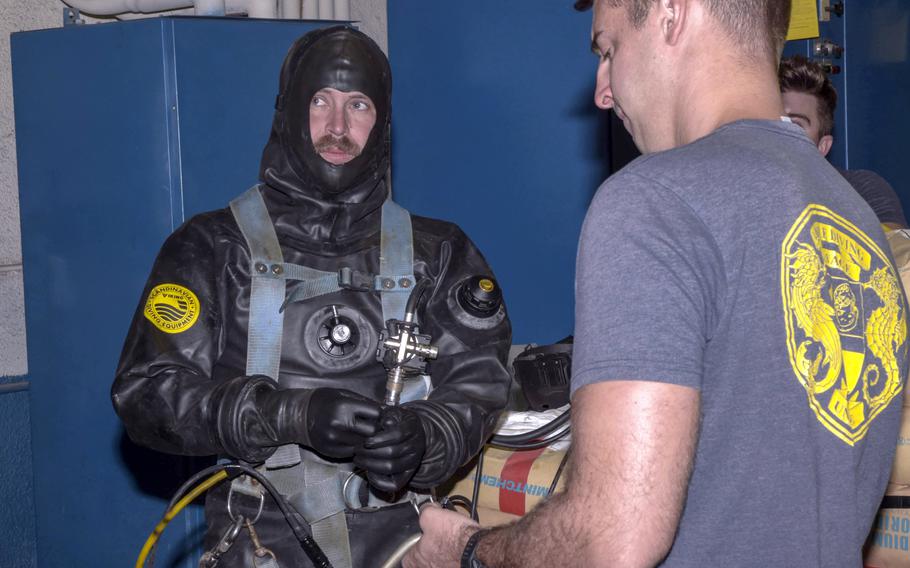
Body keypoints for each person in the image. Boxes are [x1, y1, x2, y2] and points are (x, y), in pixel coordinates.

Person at [405, 0, 908, 566]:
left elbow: (611, 540)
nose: (602, 91)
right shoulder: (858, 222)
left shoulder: (656, 200)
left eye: (608, 50)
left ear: (671, 14)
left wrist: (468, 549)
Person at [111, 26, 512, 568]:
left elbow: (481, 383)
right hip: (260, 545)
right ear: (288, 111)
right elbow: (147, 395)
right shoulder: (210, 248)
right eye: (320, 101)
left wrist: (425, 435)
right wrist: (285, 414)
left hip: (407, 547)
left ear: (384, 122)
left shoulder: (438, 254)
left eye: (359, 105)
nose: (338, 127)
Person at [779, 54, 909, 230]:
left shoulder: (863, 191)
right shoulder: (739, 192)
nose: (778, 132)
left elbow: (894, 251)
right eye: (772, 121)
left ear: (822, 146)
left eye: (795, 125)